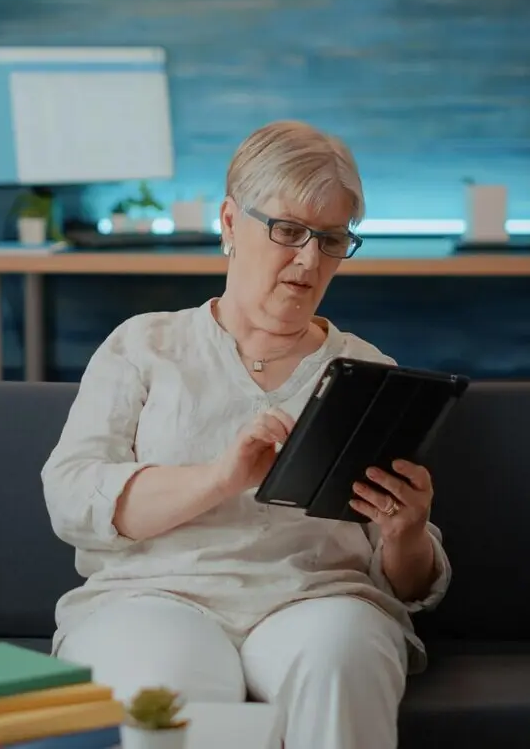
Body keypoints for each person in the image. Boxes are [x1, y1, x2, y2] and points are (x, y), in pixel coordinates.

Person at [41, 121, 450, 749]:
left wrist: (407, 533)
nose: (309, 260)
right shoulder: (143, 345)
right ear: (230, 223)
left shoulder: (372, 376)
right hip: (152, 597)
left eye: (333, 240)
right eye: (287, 231)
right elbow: (73, 499)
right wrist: (221, 478)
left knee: (345, 657)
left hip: (318, 601)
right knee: (163, 681)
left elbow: (411, 584)